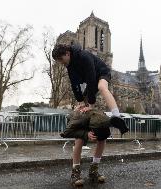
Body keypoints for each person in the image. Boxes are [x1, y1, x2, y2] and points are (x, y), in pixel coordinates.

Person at [52, 44, 123, 186]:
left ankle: (94, 170)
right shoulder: (70, 66)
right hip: (90, 89)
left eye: (61, 59)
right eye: (58, 61)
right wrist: (80, 102)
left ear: (67, 53)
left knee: (102, 136)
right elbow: (74, 85)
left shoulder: (84, 56)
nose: (61, 63)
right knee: (79, 136)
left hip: (100, 75)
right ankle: (75, 172)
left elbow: (91, 79)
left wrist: (90, 104)